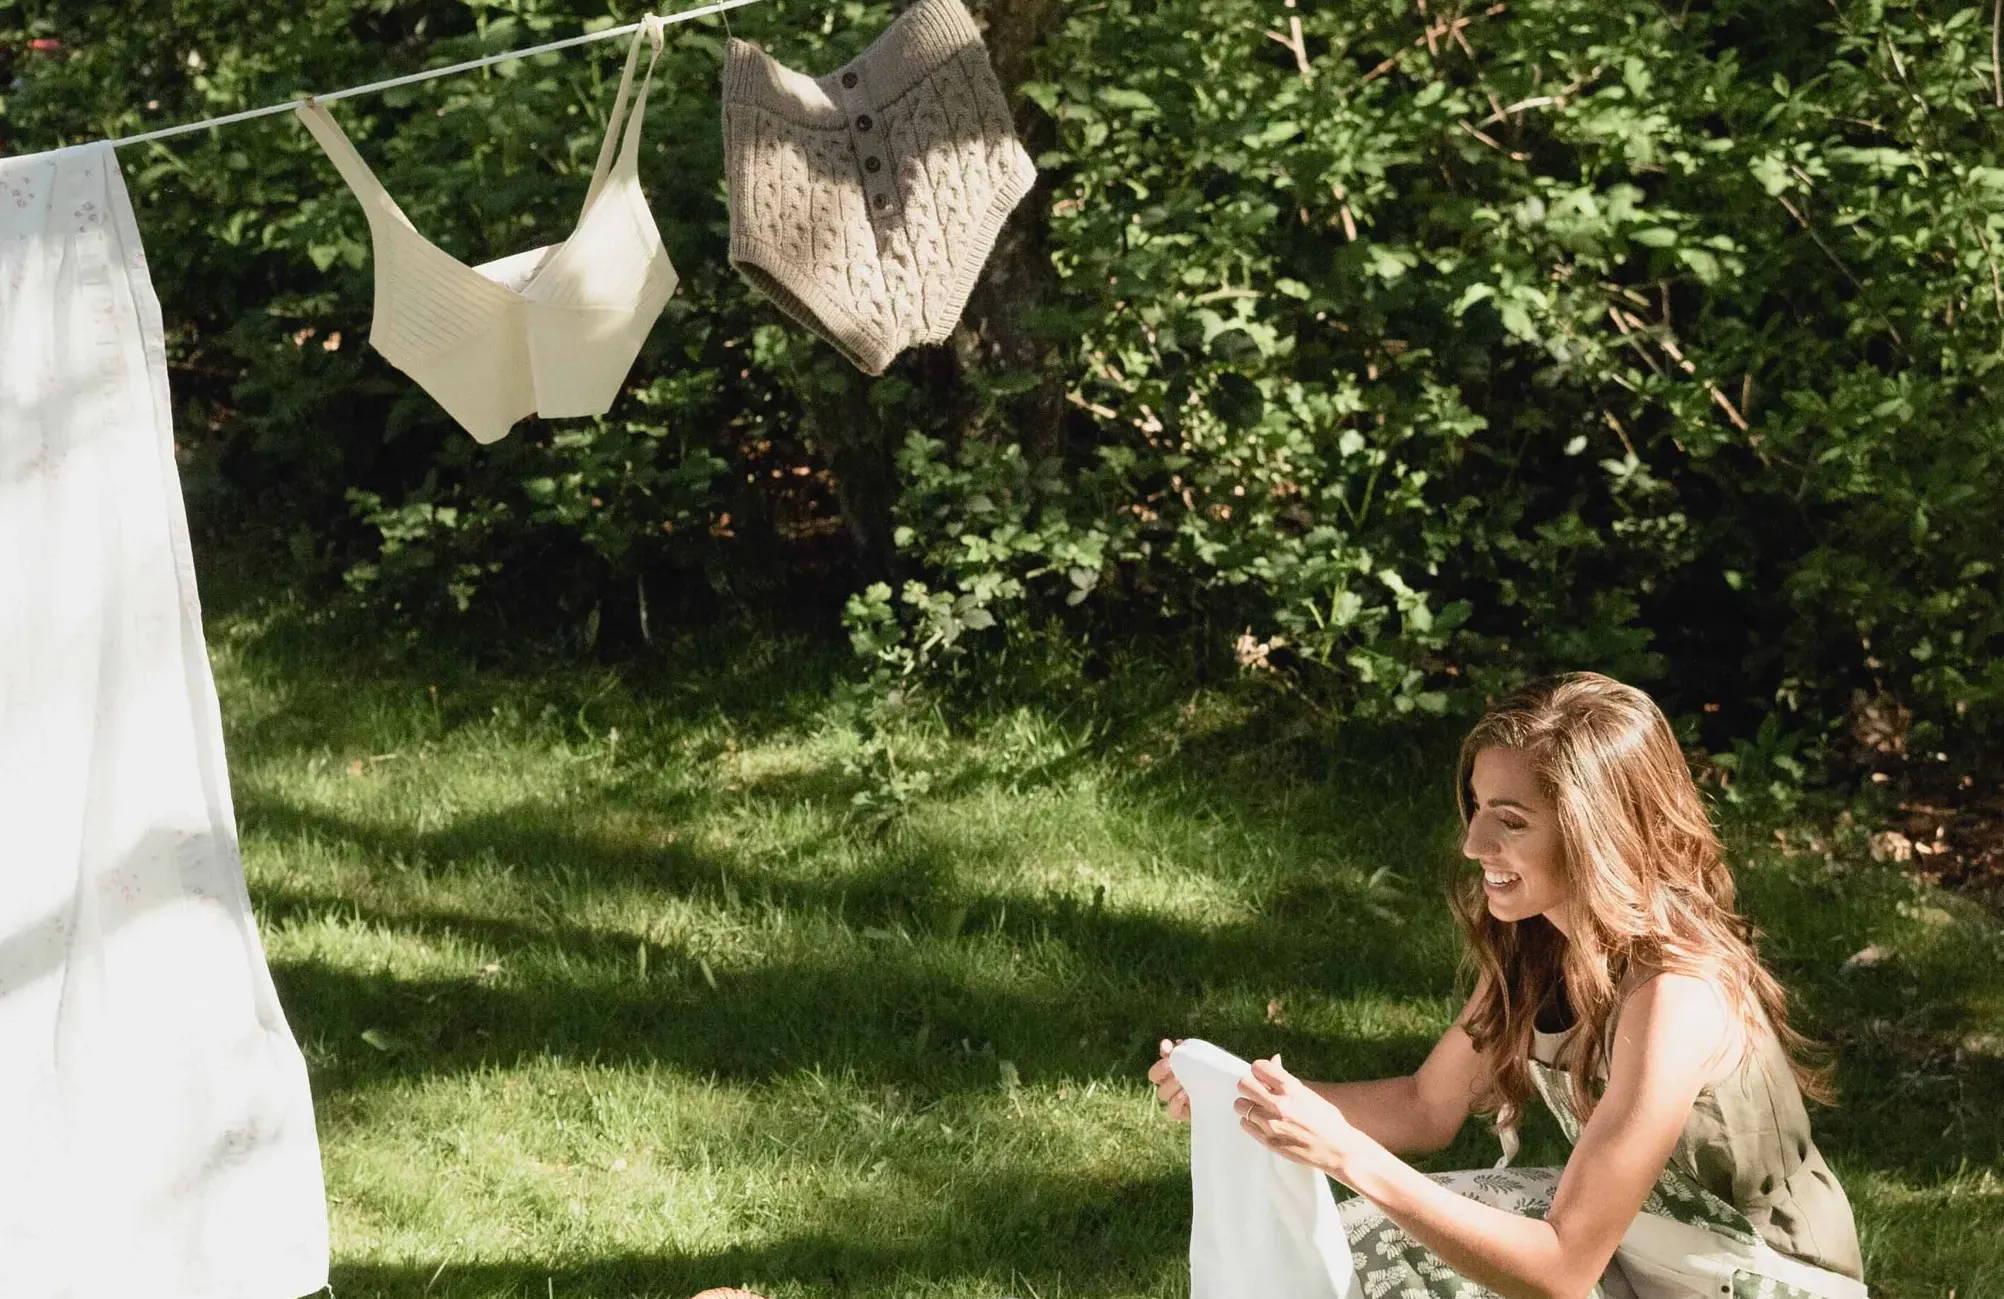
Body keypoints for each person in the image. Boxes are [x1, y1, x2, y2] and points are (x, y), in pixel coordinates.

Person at [1147, 672, 1867, 1298]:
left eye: (1511, 820)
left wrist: (1344, 1152)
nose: (1474, 844)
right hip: (1656, 1248)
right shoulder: (1541, 948)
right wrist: (1255, 1098)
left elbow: (1559, 1268)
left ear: (1597, 833)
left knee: (1409, 1254)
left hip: (1758, 1278)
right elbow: (1428, 1104)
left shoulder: (1675, 993)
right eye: (1478, 806)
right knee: (1366, 1241)